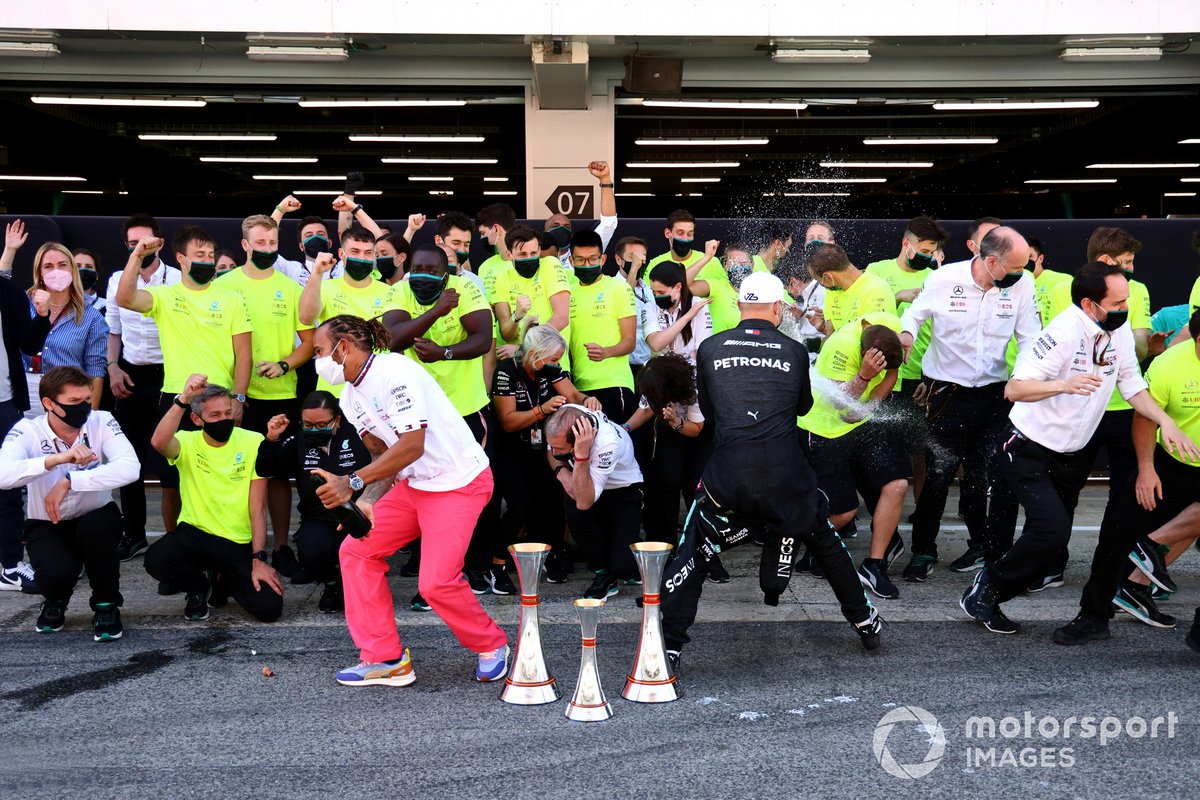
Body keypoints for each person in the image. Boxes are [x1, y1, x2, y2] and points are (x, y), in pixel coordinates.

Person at [659, 273, 882, 677]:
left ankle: (669, 646)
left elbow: (710, 414)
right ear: (778, 309)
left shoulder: (710, 348)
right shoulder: (795, 351)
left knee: (691, 548)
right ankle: (865, 622)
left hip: (728, 480)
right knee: (827, 546)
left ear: (742, 307)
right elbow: (800, 408)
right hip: (788, 482)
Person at [960, 264, 1198, 635]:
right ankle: (988, 585)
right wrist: (1064, 385)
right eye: (1118, 302)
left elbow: (1133, 386)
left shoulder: (1114, 333)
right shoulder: (1062, 334)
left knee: (1051, 537)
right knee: (1050, 533)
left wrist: (1166, 422)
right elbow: (1015, 389)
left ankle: (991, 588)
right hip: (1026, 448)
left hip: (1070, 456)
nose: (1125, 308)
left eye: (1127, 301)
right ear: (1090, 304)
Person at [308, 315, 508, 686]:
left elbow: (411, 446)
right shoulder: (350, 395)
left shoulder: (395, 372)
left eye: (320, 351)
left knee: (435, 583)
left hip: (459, 482)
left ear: (344, 347)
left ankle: (492, 644)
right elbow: (382, 454)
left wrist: (350, 482)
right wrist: (367, 500)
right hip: (417, 486)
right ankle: (385, 658)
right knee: (356, 552)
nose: (317, 360)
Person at [1030, 227, 1170, 590]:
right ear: (1106, 261)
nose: (1133, 268)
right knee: (1064, 490)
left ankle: (1113, 570)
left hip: (1125, 408)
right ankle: (1051, 563)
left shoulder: (1135, 290)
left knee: (1125, 498)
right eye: (1126, 262)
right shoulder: (1066, 289)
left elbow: (1135, 349)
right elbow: (1051, 349)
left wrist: (1148, 348)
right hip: (1078, 408)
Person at [898, 227, 1039, 582]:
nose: (1022, 274)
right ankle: (923, 550)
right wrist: (905, 336)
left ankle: (981, 546)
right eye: (1016, 267)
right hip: (946, 393)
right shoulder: (945, 278)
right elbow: (914, 315)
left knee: (981, 474)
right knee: (938, 473)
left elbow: (1030, 339)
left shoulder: (1021, 285)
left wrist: (1023, 380)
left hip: (993, 393)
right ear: (991, 261)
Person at [1054, 309, 1200, 646]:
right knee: (1117, 532)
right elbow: (1145, 419)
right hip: (1170, 461)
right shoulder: (1169, 365)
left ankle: (1147, 561)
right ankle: (1093, 616)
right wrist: (1146, 469)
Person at [382, 245, 505, 598]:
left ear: (446, 274)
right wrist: (437, 310)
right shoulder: (399, 290)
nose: (422, 275)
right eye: (416, 268)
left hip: (465, 408)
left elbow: (482, 339)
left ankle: (478, 566)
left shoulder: (467, 289)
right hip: (417, 412)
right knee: (423, 488)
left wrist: (444, 353)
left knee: (476, 491)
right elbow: (392, 339)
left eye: (431, 270)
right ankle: (431, 574)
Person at [116, 226, 252, 539]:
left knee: (224, 480)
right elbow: (124, 298)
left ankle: (226, 545)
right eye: (199, 255)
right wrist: (139, 254)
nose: (207, 261)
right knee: (171, 483)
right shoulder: (165, 296)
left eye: (210, 255)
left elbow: (244, 356)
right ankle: (179, 550)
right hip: (177, 401)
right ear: (180, 259)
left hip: (221, 403)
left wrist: (239, 399)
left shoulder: (231, 298)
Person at [0, 366, 139, 639]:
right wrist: (54, 461)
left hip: (96, 516)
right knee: (55, 573)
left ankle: (106, 605)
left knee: (96, 530)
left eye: (87, 399)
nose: (84, 407)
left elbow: (130, 468)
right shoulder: (27, 429)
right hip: (47, 522)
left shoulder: (102, 420)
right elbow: (3, 474)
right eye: (74, 402)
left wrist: (71, 481)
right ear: (49, 404)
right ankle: (55, 600)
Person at [144, 375, 284, 623]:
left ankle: (222, 577)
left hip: (236, 541)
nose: (224, 420)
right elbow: (158, 441)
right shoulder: (187, 441)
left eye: (227, 413)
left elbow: (258, 507)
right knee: (157, 561)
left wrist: (259, 558)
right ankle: (198, 588)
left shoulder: (254, 441)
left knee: (269, 609)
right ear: (197, 419)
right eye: (215, 416)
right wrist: (183, 399)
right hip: (195, 534)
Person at [222, 214, 315, 581]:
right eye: (259, 244)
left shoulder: (290, 288)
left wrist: (284, 364)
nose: (267, 250)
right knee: (239, 473)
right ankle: (242, 547)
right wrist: (234, 394)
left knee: (277, 475)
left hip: (280, 395)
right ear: (245, 245)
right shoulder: (224, 285)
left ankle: (279, 548)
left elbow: (308, 344)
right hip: (233, 397)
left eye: (272, 244)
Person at [798, 313, 910, 599]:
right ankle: (805, 544)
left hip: (862, 423)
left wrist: (896, 366)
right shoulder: (840, 347)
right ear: (864, 353)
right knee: (844, 512)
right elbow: (847, 411)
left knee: (897, 485)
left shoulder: (887, 327)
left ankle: (874, 565)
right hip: (825, 427)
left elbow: (909, 321)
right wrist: (865, 376)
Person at [492, 323, 599, 585]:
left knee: (550, 504)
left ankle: (545, 555)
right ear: (535, 354)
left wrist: (588, 400)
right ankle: (497, 563)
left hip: (540, 448)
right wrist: (542, 409)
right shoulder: (507, 371)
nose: (556, 363)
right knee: (519, 505)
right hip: (509, 449)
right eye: (552, 358)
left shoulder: (549, 369)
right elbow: (507, 421)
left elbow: (572, 393)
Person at [105, 213, 183, 561]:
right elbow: (114, 329)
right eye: (132, 243)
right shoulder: (117, 280)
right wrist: (112, 368)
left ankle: (179, 535)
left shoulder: (180, 279)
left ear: (160, 243)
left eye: (146, 242)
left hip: (172, 376)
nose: (140, 248)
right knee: (129, 460)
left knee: (173, 462)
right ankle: (134, 534)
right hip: (132, 377)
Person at [256, 391, 373, 613]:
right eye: (308, 424)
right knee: (310, 550)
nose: (314, 429)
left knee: (365, 562)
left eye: (321, 424)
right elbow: (266, 470)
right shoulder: (300, 439)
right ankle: (332, 585)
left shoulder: (359, 436)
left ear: (337, 420)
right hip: (320, 518)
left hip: (361, 514)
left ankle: (361, 584)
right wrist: (271, 439)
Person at [864, 216, 949, 504]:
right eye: (923, 250)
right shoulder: (876, 272)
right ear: (906, 244)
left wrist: (930, 376)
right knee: (877, 446)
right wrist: (898, 297)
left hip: (918, 375)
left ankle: (922, 510)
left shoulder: (936, 278)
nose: (926, 256)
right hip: (878, 373)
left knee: (920, 450)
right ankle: (879, 505)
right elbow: (864, 319)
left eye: (931, 251)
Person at [622, 352, 717, 570]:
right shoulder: (652, 372)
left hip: (700, 430)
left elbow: (696, 429)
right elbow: (646, 409)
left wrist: (676, 422)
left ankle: (704, 549)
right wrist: (625, 428)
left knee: (696, 487)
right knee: (666, 481)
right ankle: (664, 545)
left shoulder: (694, 382)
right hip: (670, 425)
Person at [545, 404, 644, 600]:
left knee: (622, 566)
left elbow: (584, 501)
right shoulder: (566, 416)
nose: (555, 452)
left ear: (580, 438)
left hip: (623, 489)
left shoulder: (607, 443)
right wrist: (562, 473)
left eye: (561, 449)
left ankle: (634, 554)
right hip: (588, 484)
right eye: (553, 446)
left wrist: (581, 456)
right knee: (576, 515)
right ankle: (602, 574)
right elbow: (552, 450)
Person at [0, 247, 50, 591]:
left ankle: (9, 566)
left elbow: (30, 344)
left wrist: (43, 314)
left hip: (4, 402)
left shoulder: (7, 292)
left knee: (9, 486)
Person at [298, 232, 390, 395]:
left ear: (375, 256)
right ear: (342, 254)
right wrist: (317, 273)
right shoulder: (325, 287)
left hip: (376, 390)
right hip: (334, 390)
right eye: (355, 251)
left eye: (368, 253)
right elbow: (306, 318)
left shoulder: (390, 292)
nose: (362, 257)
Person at [25, 243, 108, 412]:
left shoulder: (91, 317)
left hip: (70, 396)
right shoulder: (23, 307)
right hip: (25, 391)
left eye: (62, 265)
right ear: (39, 273)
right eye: (48, 266)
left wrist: (89, 416)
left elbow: (95, 371)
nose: (57, 271)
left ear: (72, 270)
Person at [566, 229, 638, 422]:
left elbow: (630, 341)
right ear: (571, 261)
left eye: (592, 259)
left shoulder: (618, 288)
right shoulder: (566, 292)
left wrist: (606, 352)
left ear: (603, 259)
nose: (587, 265)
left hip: (614, 384)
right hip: (579, 389)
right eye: (580, 260)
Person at [645, 210, 739, 333]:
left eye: (690, 234)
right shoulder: (655, 264)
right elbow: (651, 301)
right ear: (668, 233)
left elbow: (726, 294)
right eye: (680, 233)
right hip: (670, 333)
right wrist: (705, 258)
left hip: (706, 334)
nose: (685, 238)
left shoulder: (713, 262)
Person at [491, 225, 572, 359]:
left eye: (533, 253)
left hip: (552, 361)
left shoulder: (550, 265)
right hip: (519, 367)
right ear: (509, 254)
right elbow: (506, 334)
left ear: (539, 250)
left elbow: (562, 318)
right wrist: (516, 316)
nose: (529, 258)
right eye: (522, 254)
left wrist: (523, 349)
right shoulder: (501, 279)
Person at [807, 243, 896, 335]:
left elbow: (876, 341)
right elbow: (831, 335)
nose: (822, 285)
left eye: (819, 281)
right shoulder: (832, 290)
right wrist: (822, 329)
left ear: (829, 277)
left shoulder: (875, 290)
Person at [544, 160, 620, 269]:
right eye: (555, 226)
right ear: (545, 232)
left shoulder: (584, 251)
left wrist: (605, 179)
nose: (561, 230)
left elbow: (608, 224)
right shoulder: (533, 254)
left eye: (566, 227)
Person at [644, 262, 714, 363]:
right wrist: (688, 316)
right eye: (653, 292)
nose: (657, 296)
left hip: (689, 371)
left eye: (661, 292)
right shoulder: (650, 306)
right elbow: (655, 344)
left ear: (678, 287)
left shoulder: (697, 305)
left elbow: (702, 350)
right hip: (659, 370)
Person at [269, 196, 344, 286]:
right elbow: (265, 246)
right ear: (301, 246)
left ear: (330, 243)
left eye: (320, 234)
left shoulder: (341, 269)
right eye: (309, 235)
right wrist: (280, 209)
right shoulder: (293, 270)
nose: (315, 238)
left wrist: (354, 208)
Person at [1025, 237, 1071, 325]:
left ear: (1040, 258)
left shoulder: (1063, 280)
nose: (1026, 261)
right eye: (1023, 257)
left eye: (1030, 256)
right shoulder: (1014, 283)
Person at [72, 249, 105, 316]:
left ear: (97, 275)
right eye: (77, 266)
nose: (83, 270)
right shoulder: (57, 306)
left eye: (89, 266)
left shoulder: (108, 306)